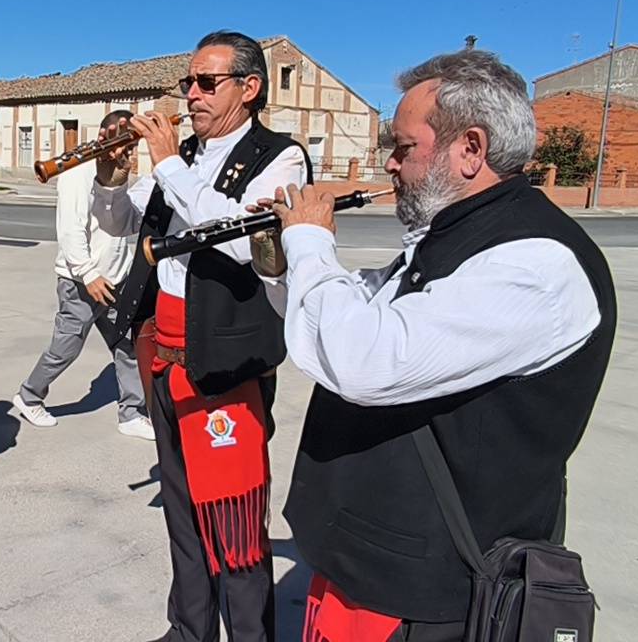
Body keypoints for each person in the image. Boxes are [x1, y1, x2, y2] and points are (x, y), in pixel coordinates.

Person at [257, 50, 617, 641]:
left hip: (426, 592)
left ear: (470, 149)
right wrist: (279, 256)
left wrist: (310, 245)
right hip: (368, 563)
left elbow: (364, 358)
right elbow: (348, 310)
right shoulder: (453, 234)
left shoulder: (536, 266)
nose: (390, 164)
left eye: (404, 147)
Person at [94, 31, 308, 642]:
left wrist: (167, 165)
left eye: (207, 82)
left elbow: (242, 239)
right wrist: (110, 179)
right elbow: (122, 222)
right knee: (183, 511)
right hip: (163, 353)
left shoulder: (281, 158)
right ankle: (189, 629)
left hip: (226, 360)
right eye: (189, 82)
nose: (192, 94)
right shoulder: (183, 155)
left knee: (234, 519)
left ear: (249, 88)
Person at [10, 109, 154, 440]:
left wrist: (124, 188)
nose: (131, 153)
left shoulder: (118, 171)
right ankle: (29, 396)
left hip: (115, 280)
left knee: (127, 347)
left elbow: (122, 224)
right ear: (109, 135)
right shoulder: (77, 172)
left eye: (134, 146)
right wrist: (88, 274)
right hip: (82, 283)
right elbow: (70, 230)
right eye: (128, 144)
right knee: (66, 348)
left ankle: (131, 413)